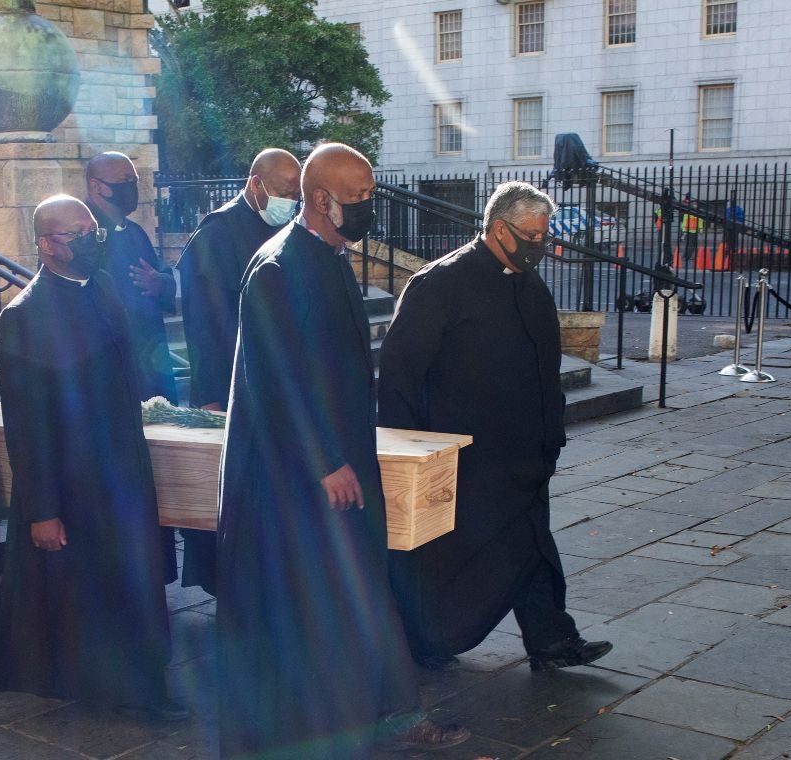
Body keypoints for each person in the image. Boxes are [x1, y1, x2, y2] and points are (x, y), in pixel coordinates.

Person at [216, 143, 468, 759]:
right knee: (319, 604)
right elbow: (276, 380)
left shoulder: (327, 256)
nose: (368, 209)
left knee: (364, 591)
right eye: (359, 198)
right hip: (298, 478)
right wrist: (324, 462)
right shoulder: (277, 268)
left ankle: (388, 713)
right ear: (321, 199)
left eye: (370, 195)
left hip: (342, 459)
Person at [378, 181, 613, 673]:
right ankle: (427, 638)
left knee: (530, 543)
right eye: (531, 234)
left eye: (544, 235)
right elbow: (400, 374)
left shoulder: (529, 284)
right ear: (499, 228)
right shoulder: (439, 284)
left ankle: (551, 638)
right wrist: (409, 452)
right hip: (467, 457)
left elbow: (544, 367)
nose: (540, 245)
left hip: (527, 452)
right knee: (462, 555)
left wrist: (553, 434)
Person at [0, 194, 186, 722]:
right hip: (74, 484)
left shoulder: (102, 288)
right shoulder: (24, 315)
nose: (94, 239)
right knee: (96, 590)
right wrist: (43, 510)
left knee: (135, 577)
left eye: (94, 229)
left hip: (123, 470)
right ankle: (120, 691)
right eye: (79, 233)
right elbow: (26, 423)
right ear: (48, 244)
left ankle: (140, 679)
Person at [174, 147, 300, 597]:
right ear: (255, 184)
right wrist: (209, 394)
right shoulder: (217, 235)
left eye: (297, 194)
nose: (293, 201)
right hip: (225, 384)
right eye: (286, 192)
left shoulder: (283, 225)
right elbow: (203, 324)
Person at [85, 151, 178, 403]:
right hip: (111, 360)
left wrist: (160, 283)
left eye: (134, 181)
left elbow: (163, 275)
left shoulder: (135, 232)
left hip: (150, 358)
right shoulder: (84, 236)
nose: (132, 188)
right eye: (125, 181)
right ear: (97, 186)